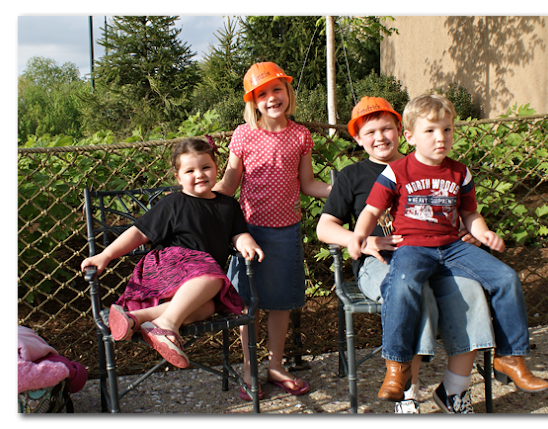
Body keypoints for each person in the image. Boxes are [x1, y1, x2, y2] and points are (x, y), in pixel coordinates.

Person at [348, 94, 548, 405]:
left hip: (453, 248)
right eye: (430, 131)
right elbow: (372, 210)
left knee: (506, 277)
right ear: (410, 136)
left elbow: (469, 213)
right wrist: (359, 236)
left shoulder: (459, 172)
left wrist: (483, 233)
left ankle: (511, 357)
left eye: (447, 129)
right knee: (401, 284)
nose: (440, 138)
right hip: (413, 248)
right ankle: (397, 366)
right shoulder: (396, 171)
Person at [317, 96, 495, 413]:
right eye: (370, 132)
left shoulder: (434, 164)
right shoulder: (352, 176)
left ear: (402, 130)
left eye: (386, 128)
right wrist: (364, 241)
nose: (380, 137)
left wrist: (471, 234)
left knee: (471, 289)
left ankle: (454, 390)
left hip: (440, 256)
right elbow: (324, 228)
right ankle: (407, 394)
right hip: (381, 263)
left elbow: (460, 214)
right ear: (357, 138)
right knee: (414, 290)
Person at [81, 137, 264, 369]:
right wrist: (105, 255)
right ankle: (166, 323)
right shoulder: (174, 203)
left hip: (200, 285)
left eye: (205, 167)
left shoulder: (228, 205)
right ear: (178, 178)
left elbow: (238, 233)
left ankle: (138, 318)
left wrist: (246, 241)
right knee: (213, 277)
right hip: (169, 269)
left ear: (217, 168)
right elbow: (138, 233)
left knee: (208, 307)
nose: (199, 174)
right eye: (190, 171)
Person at [212, 62, 331, 400]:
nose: (271, 97)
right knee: (247, 303)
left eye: (276, 89)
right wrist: (201, 199)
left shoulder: (300, 135)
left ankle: (275, 366)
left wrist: (341, 191)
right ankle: (250, 368)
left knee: (280, 303)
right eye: (261, 93)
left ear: (287, 92)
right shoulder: (243, 134)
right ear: (253, 102)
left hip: (285, 233)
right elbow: (230, 183)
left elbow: (308, 184)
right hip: (247, 233)